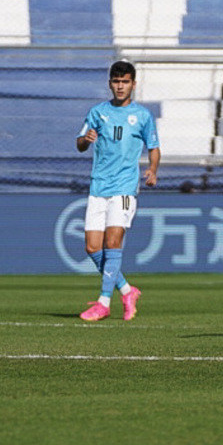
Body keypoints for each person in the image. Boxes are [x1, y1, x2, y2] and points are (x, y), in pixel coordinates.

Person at [75, 60, 160, 322]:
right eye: (116, 81)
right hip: (98, 185)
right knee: (92, 248)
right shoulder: (97, 112)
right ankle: (127, 290)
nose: (120, 86)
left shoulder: (143, 116)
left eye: (125, 82)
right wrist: (85, 140)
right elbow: (79, 143)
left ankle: (103, 302)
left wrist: (153, 169)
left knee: (113, 243)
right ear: (110, 83)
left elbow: (154, 147)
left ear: (133, 84)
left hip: (124, 187)